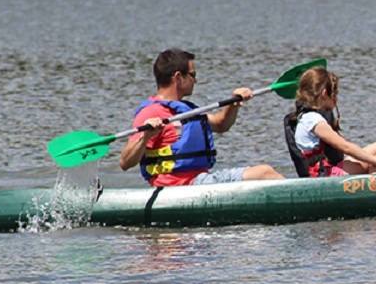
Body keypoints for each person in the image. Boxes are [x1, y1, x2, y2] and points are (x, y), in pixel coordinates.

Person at [120, 48, 284, 185]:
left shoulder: (186, 110)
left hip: (199, 181)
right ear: (178, 77)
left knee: (264, 172)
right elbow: (125, 163)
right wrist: (146, 136)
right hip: (179, 187)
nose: (196, 80)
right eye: (193, 74)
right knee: (264, 173)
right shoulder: (151, 112)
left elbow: (220, 124)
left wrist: (233, 103)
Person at [284, 67, 376, 177]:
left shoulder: (304, 117)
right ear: (324, 94)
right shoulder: (314, 121)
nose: (336, 99)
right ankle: (375, 181)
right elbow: (345, 147)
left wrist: (373, 160)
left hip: (326, 171)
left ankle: (375, 176)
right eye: (335, 93)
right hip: (327, 175)